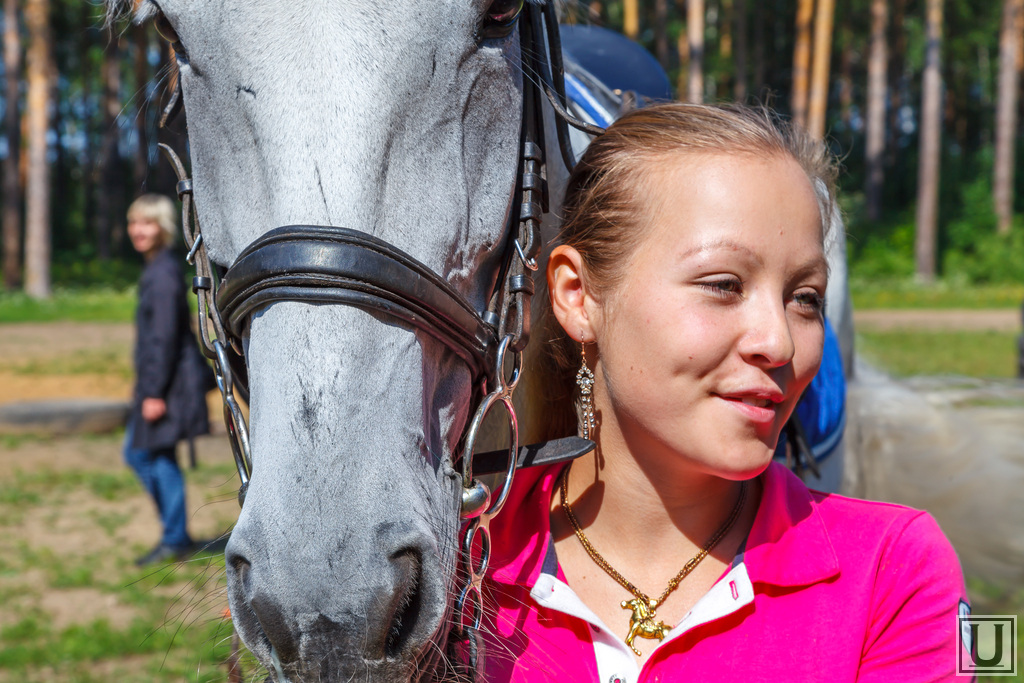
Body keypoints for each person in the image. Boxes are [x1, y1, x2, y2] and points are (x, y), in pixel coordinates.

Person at [482, 103, 970, 681]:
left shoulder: (900, 568)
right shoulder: (454, 564)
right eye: (723, 285)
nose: (779, 342)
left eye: (805, 297)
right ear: (578, 295)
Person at [125, 193, 210, 566]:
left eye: (147, 223)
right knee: (154, 454)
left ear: (163, 228)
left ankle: (175, 537)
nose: (138, 231)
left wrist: (155, 392)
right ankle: (176, 534)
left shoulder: (163, 274)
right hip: (164, 382)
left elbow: (164, 337)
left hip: (170, 384)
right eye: (134, 223)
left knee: (146, 455)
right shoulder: (159, 268)